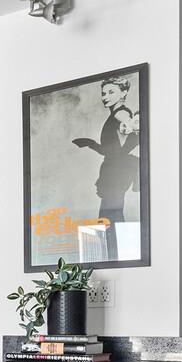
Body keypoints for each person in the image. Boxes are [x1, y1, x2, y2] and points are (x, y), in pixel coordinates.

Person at [71, 76, 140, 260]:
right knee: (111, 216)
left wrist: (130, 127)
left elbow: (125, 141)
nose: (105, 96)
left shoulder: (121, 114)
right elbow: (115, 150)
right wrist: (90, 143)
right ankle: (118, 258)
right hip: (115, 170)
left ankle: (116, 259)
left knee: (109, 217)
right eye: (103, 93)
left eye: (111, 92)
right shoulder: (115, 114)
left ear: (124, 92)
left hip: (117, 172)